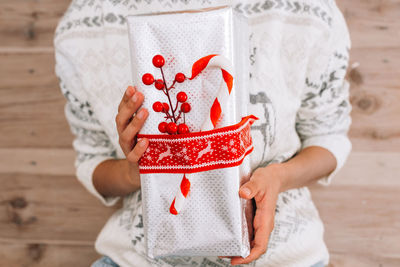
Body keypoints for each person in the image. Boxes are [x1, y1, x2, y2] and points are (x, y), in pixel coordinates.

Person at [54, 0, 351, 266]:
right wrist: (135, 172)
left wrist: (278, 178)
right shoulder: (82, 24)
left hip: (287, 258)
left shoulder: (307, 9)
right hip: (135, 258)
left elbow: (328, 139)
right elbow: (93, 161)